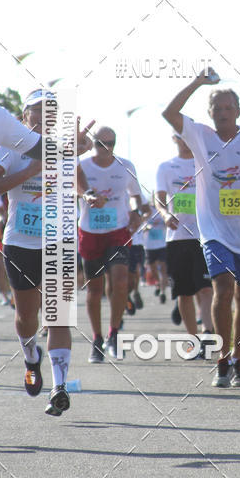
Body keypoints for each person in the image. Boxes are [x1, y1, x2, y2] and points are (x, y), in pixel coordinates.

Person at [0, 90, 92, 442]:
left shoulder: (64, 148)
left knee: (59, 313)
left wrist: (84, 188)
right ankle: (30, 356)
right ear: (25, 116)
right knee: (27, 317)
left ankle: (59, 386)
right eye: (38, 112)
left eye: (51, 113)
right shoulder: (8, 144)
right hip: (20, 240)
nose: (44, 118)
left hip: (58, 241)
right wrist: (36, 168)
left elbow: (79, 185)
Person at [162, 75, 240, 386]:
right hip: (213, 229)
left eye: (228, 107)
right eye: (217, 107)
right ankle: (222, 359)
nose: (223, 112)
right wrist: (197, 82)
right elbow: (169, 113)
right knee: (222, 288)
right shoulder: (199, 135)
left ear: (237, 110)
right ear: (209, 112)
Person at [77, 127, 147, 361]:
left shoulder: (125, 165)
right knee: (95, 289)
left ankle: (114, 333)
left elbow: (137, 195)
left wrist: (137, 213)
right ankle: (96, 339)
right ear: (93, 144)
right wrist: (85, 195)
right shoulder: (83, 166)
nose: (106, 148)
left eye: (111, 143)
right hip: (90, 232)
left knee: (120, 280)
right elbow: (71, 189)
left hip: (118, 230)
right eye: (100, 143)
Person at [155, 133, 213, 358]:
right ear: (174, 139)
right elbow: (159, 198)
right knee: (185, 292)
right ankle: (193, 340)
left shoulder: (205, 163)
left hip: (205, 234)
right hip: (177, 236)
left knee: (206, 287)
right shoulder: (166, 167)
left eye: (189, 136)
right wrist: (165, 214)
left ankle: (208, 332)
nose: (186, 140)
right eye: (181, 137)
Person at [144, 199, 169, 302]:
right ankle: (158, 284)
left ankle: (162, 292)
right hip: (149, 246)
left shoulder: (163, 210)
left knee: (163, 269)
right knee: (153, 270)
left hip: (162, 244)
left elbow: (168, 224)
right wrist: (147, 227)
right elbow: (141, 225)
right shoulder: (146, 211)